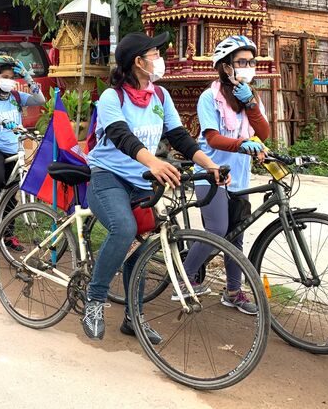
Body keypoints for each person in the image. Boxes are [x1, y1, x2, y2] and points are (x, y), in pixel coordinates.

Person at [82, 32, 227, 342]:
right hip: (108, 177)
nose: (159, 59)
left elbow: (180, 138)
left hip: (141, 181)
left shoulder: (160, 96)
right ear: (138, 62)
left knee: (144, 245)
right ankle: (94, 299)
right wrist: (154, 163)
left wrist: (210, 166)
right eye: (155, 54)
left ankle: (134, 317)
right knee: (124, 229)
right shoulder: (112, 97)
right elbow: (122, 137)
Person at [179, 35, 271, 316]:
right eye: (242, 62)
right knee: (217, 231)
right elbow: (213, 138)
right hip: (211, 174)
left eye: (251, 61)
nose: (248, 66)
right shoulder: (211, 97)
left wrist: (252, 106)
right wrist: (243, 144)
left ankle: (233, 292)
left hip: (239, 178)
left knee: (237, 235)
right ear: (226, 67)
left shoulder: (250, 97)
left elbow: (264, 133)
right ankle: (184, 279)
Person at [0, 54, 45, 249]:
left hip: (15, 149)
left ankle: (8, 235)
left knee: (12, 192)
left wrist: (27, 76)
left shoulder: (16, 97)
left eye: (11, 76)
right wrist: (3, 121)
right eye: (4, 76)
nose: (9, 80)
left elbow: (40, 99)